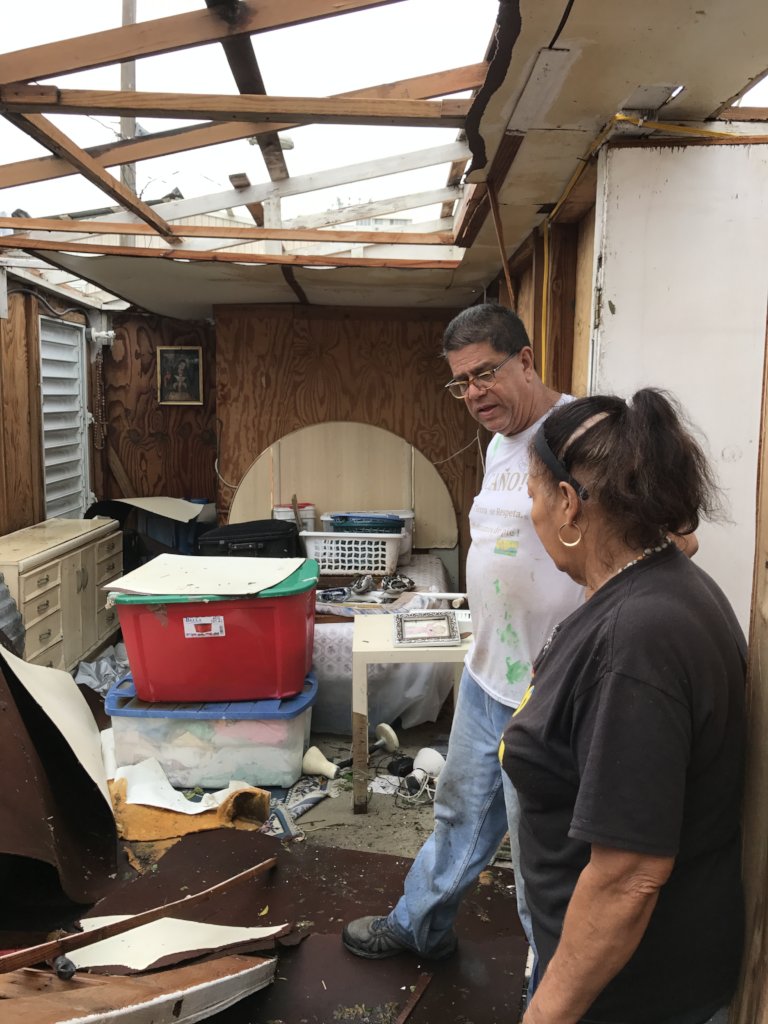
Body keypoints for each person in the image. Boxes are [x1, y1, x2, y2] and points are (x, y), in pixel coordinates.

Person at [342, 303, 584, 961]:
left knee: (541, 857)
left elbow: (664, 537)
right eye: (461, 382)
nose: (474, 393)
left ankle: (550, 991)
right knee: (458, 815)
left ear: (527, 360)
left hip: (551, 692)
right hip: (487, 676)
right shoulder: (502, 442)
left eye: (486, 373)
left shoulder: (585, 432)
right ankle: (420, 926)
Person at [501, 390, 745, 1024]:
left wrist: (545, 1014)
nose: (531, 514)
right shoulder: (651, 585)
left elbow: (628, 877)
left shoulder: (639, 639)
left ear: (569, 503)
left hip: (629, 998)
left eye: (533, 496)